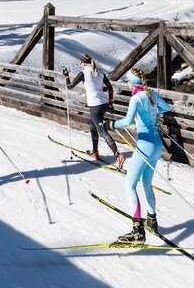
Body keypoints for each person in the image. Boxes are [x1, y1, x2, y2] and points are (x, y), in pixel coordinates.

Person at [102, 67, 170, 241]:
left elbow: (127, 121)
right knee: (147, 183)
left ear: (131, 83)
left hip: (145, 144)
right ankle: (152, 222)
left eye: (128, 81)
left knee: (129, 185)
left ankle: (138, 230)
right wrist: (151, 115)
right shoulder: (150, 93)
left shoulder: (136, 98)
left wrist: (110, 125)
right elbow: (166, 107)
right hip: (157, 145)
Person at [64, 53, 125, 168]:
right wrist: (111, 103)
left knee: (101, 131)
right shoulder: (99, 71)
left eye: (80, 62)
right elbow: (110, 88)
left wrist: (66, 76)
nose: (80, 64)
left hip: (95, 106)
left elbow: (70, 86)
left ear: (84, 63)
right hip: (103, 104)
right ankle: (95, 151)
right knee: (93, 126)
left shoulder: (84, 73)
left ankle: (118, 155)